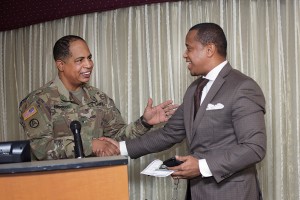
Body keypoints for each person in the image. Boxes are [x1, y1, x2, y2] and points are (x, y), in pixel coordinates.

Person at [104, 23, 266, 200]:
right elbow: (169, 134)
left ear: (209, 49)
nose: (184, 55)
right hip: (196, 192)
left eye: (189, 48)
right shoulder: (194, 89)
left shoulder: (242, 87)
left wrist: (202, 167)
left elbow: (254, 148)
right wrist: (118, 148)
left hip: (233, 193)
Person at [19, 35, 178, 161]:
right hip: (59, 184)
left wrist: (144, 122)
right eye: (80, 60)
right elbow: (41, 148)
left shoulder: (99, 97)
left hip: (99, 180)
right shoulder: (39, 100)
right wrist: (90, 145)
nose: (88, 64)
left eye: (89, 57)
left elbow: (117, 138)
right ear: (61, 65)